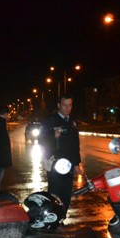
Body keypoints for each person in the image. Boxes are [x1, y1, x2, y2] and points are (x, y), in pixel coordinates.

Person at [40, 93, 83, 221]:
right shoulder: (50, 120)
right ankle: (54, 219)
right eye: (64, 105)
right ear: (59, 105)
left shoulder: (72, 122)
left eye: (70, 105)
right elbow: (41, 139)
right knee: (55, 193)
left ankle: (62, 218)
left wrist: (76, 164)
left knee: (66, 193)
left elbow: (75, 145)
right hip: (55, 162)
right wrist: (52, 136)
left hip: (68, 164)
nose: (67, 108)